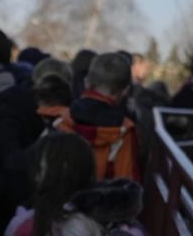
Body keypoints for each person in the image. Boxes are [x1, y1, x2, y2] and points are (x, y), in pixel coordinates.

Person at [57, 52, 141, 182]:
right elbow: (127, 182)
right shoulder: (124, 130)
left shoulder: (63, 118)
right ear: (125, 91)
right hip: (99, 199)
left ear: (87, 82)